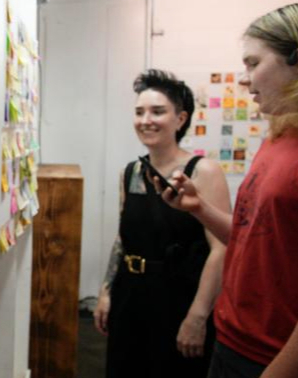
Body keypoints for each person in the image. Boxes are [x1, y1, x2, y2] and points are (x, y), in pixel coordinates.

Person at [158, 3, 298, 378]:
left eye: (254, 63)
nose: (245, 79)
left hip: (276, 357)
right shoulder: (278, 138)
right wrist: (199, 208)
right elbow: (253, 239)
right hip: (233, 340)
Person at [93, 69, 231, 378]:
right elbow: (123, 237)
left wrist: (197, 316)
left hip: (179, 298)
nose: (146, 120)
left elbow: (220, 249)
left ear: (180, 119)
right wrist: (106, 292)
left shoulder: (203, 171)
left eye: (157, 112)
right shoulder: (130, 172)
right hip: (131, 294)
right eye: (139, 112)